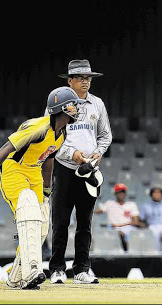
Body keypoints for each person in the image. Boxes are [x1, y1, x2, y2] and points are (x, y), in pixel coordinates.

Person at [0, 86, 83, 290]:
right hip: (13, 169)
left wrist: (47, 191)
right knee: (28, 205)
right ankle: (32, 271)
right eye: (73, 106)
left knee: (41, 226)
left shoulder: (62, 134)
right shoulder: (39, 128)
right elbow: (6, 147)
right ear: (61, 108)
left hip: (33, 172)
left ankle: (16, 277)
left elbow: (48, 159)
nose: (76, 109)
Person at [48, 59, 112, 285]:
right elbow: (50, 138)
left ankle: (82, 270)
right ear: (70, 81)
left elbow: (105, 135)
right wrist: (72, 153)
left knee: (85, 223)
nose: (86, 82)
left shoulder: (97, 104)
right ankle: (56, 269)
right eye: (81, 78)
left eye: (88, 78)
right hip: (65, 170)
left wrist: (97, 154)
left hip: (89, 171)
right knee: (61, 222)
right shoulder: (57, 102)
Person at [94, 183, 145, 251]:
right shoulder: (109, 203)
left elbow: (135, 221)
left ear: (125, 193)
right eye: (119, 192)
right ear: (115, 193)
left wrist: (119, 225)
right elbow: (98, 211)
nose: (121, 194)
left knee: (139, 235)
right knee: (119, 234)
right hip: (113, 229)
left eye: (122, 192)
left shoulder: (131, 204)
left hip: (128, 228)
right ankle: (126, 251)